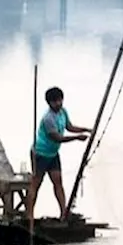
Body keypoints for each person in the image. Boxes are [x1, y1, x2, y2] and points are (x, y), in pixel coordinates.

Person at [27, 86, 91, 222]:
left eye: (60, 100)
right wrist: (77, 138)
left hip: (53, 154)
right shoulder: (48, 118)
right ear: (49, 103)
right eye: (55, 102)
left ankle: (64, 213)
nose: (58, 104)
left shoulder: (63, 112)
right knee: (36, 184)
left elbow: (69, 127)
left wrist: (86, 129)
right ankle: (29, 216)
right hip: (40, 153)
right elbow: (57, 138)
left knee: (58, 182)